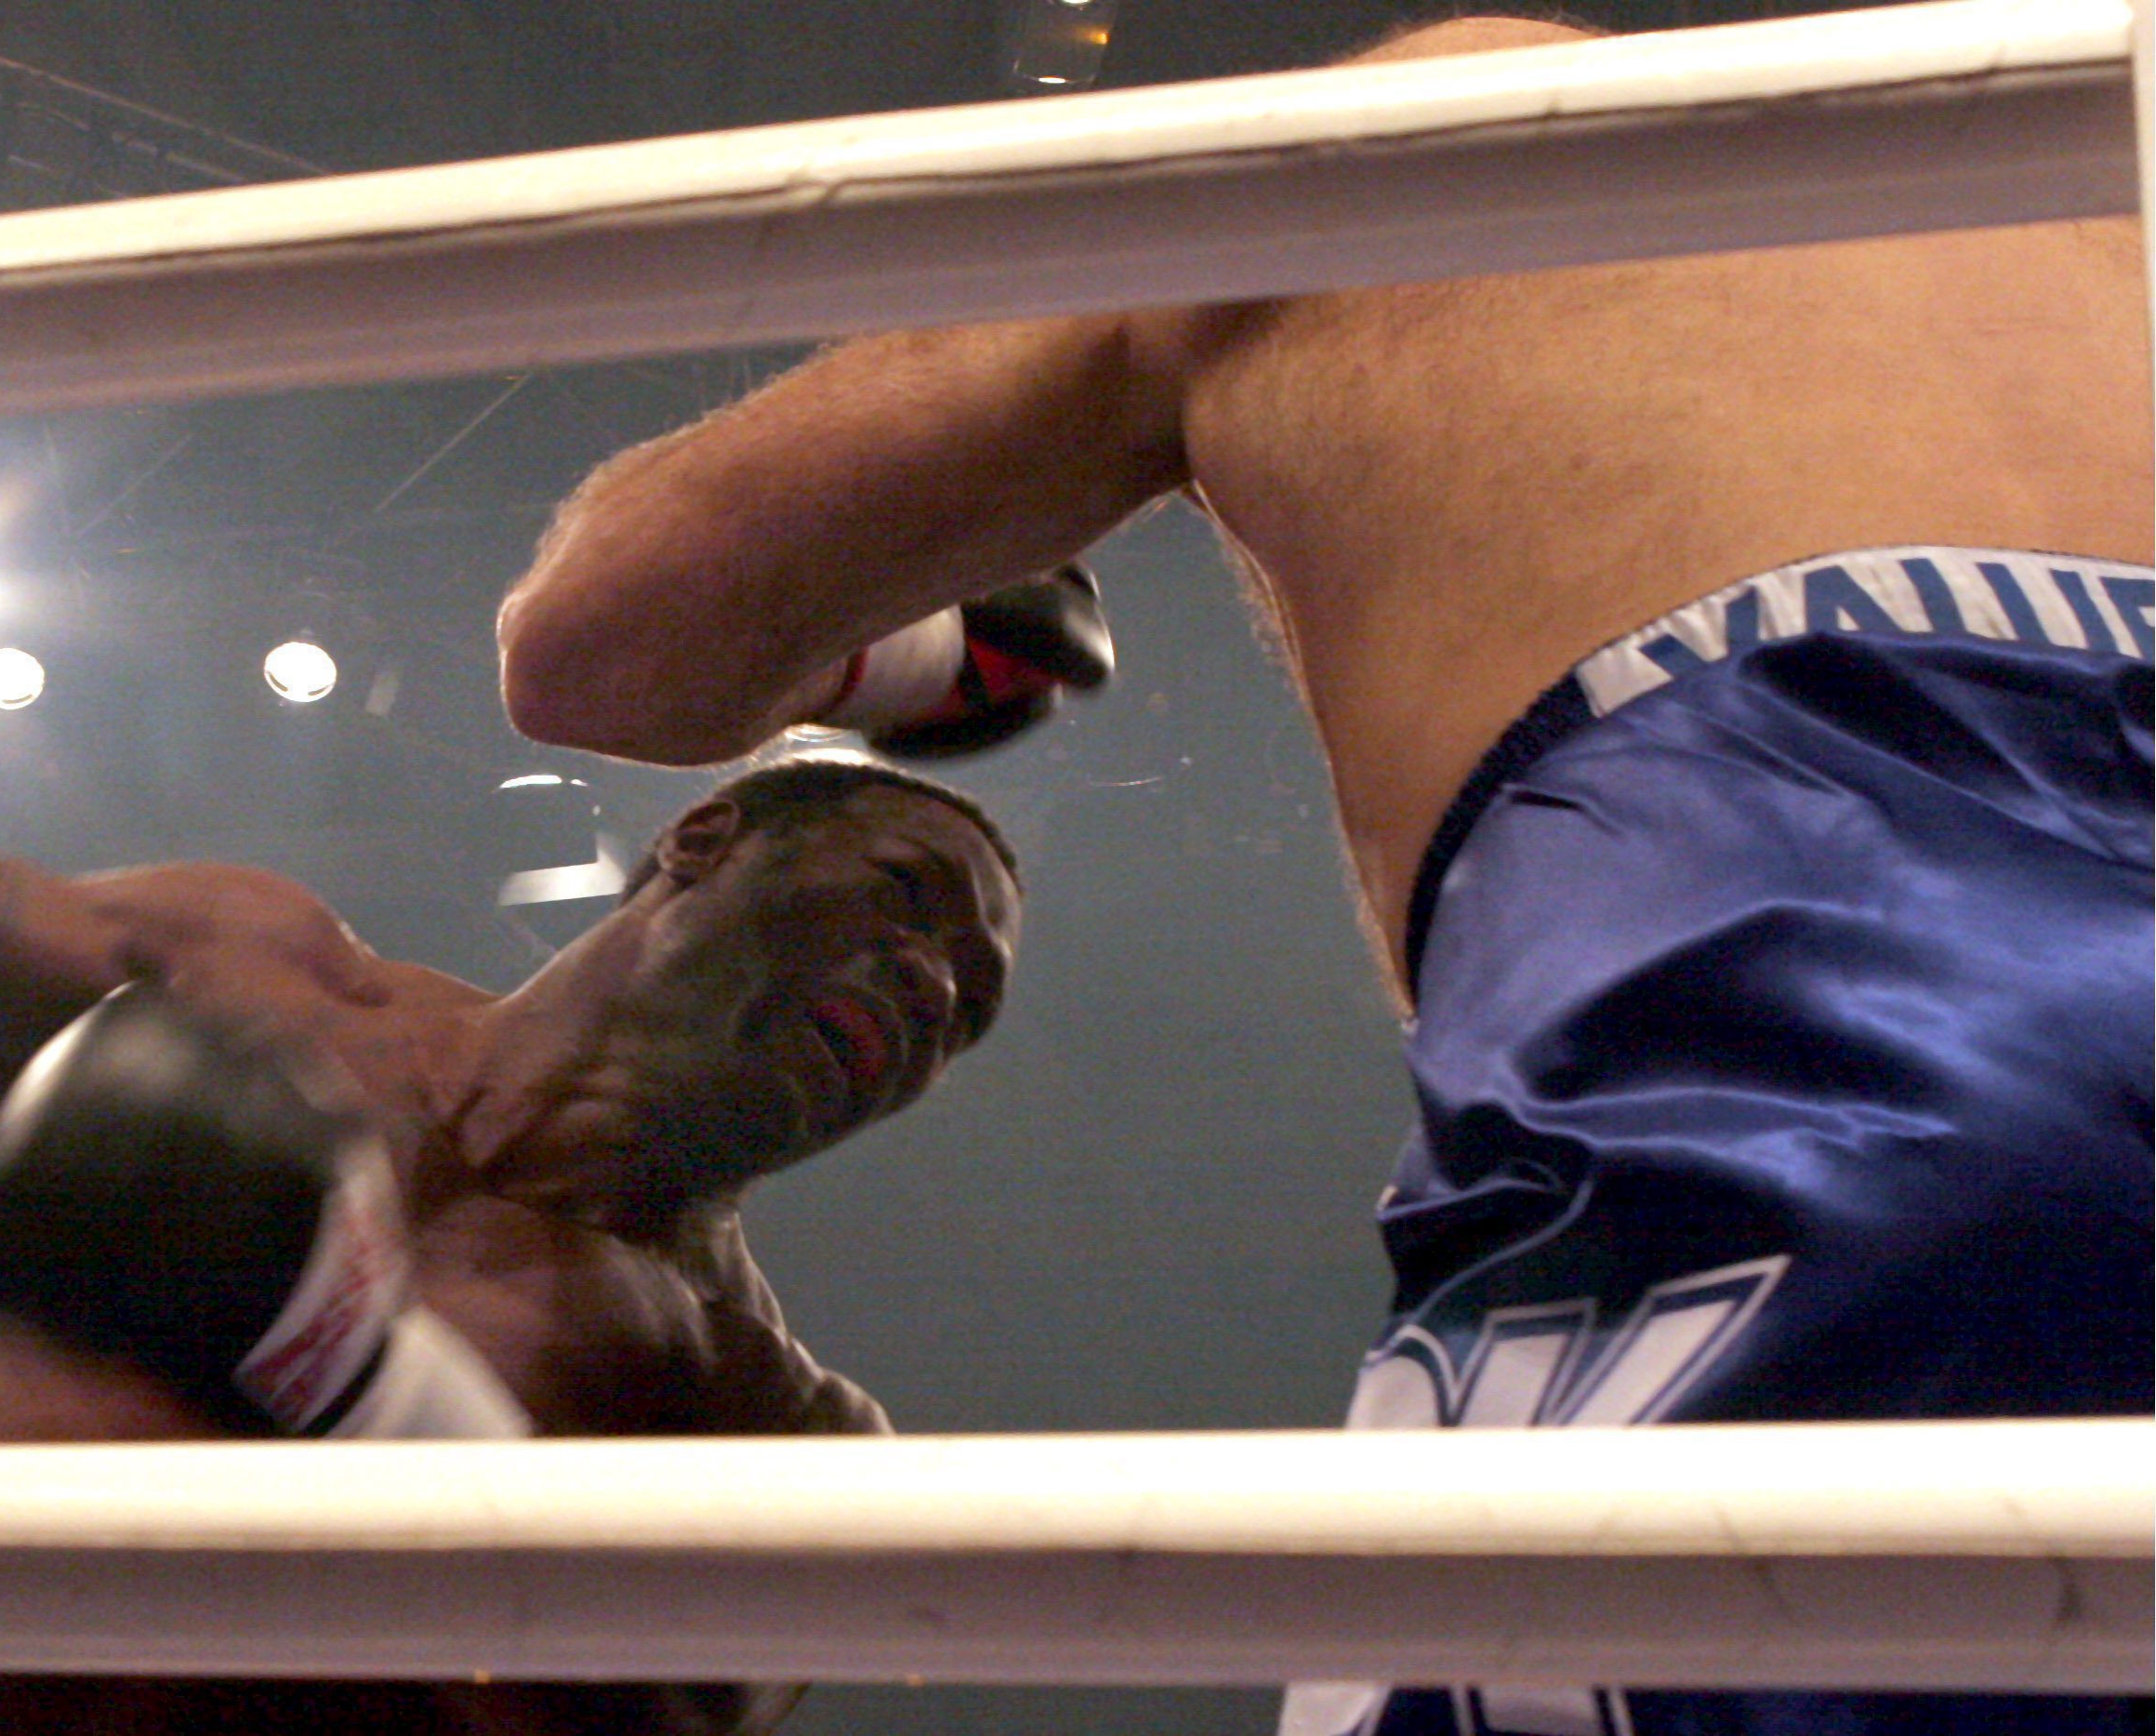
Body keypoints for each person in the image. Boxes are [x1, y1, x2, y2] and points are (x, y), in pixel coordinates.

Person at [495, 14, 2152, 1736]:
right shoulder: (2097, 174)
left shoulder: (1409, 130)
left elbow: (603, 642)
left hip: (1845, 937)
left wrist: (906, 657)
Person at [0, 427, 1023, 1736]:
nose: (935, 986)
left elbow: (650, 1715)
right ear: (707, 838)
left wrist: (353, 1378)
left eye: (972, 1006)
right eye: (908, 898)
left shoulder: (767, 1415)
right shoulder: (250, 974)